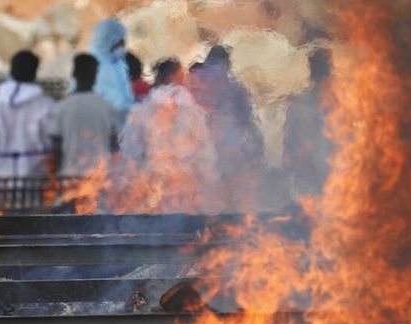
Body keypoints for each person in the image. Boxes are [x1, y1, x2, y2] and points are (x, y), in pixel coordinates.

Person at [118, 58, 218, 213]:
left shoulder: (142, 110)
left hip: (153, 183)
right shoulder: (192, 111)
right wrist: (209, 178)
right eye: (182, 75)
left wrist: (132, 180)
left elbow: (131, 151)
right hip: (185, 185)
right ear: (174, 76)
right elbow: (204, 151)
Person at [186, 45, 264, 208]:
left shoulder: (190, 82)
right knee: (225, 194)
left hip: (192, 146)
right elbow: (247, 119)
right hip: (225, 146)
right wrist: (258, 145)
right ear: (226, 63)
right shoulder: (234, 86)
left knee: (197, 193)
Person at [0, 50, 57, 178]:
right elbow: (52, 142)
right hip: (36, 179)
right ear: (35, 73)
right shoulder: (46, 105)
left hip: (2, 180)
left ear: (11, 70)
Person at [50, 54, 119, 178]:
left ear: (74, 75)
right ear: (95, 77)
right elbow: (114, 145)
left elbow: (56, 146)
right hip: (100, 178)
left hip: (70, 177)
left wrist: (54, 174)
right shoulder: (106, 107)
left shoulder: (61, 107)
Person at [282, 47, 333, 196]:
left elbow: (289, 134)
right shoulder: (339, 100)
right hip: (315, 162)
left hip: (320, 162)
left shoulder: (300, 100)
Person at [89, 18, 134, 123]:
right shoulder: (101, 68)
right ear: (109, 43)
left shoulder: (116, 65)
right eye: (120, 43)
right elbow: (118, 104)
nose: (123, 47)